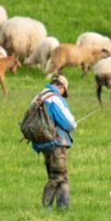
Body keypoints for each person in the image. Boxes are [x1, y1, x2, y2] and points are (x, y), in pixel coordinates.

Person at [29, 75, 77, 209]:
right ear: (60, 86)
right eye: (63, 91)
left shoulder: (37, 97)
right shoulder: (54, 98)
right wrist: (74, 125)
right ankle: (46, 207)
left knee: (59, 175)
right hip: (55, 142)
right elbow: (68, 123)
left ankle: (63, 208)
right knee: (58, 176)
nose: (63, 94)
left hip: (41, 143)